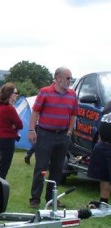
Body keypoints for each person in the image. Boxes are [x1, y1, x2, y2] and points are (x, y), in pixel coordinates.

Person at [27, 67, 78, 208]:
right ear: (58, 78)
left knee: (57, 169)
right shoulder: (45, 92)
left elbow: (74, 114)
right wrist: (31, 129)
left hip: (63, 136)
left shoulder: (72, 94)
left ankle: (52, 198)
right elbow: (35, 111)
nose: (70, 81)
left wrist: (69, 130)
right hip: (45, 134)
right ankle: (35, 198)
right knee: (41, 167)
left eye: (70, 78)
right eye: (68, 78)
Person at [0, 83, 23, 179]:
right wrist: (13, 126)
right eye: (16, 92)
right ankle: (0, 190)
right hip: (7, 140)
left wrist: (13, 125)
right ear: (10, 94)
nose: (17, 94)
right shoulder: (10, 108)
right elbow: (20, 125)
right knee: (4, 169)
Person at [87, 112, 111, 205]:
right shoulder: (107, 114)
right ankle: (103, 203)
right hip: (102, 146)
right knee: (104, 178)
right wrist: (99, 144)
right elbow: (100, 131)